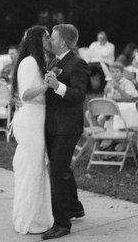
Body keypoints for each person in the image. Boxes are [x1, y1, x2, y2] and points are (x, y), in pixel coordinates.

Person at [43, 24, 90, 240]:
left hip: (67, 126)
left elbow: (79, 95)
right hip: (54, 124)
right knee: (61, 168)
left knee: (57, 172)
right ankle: (74, 207)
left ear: (62, 41)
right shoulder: (54, 61)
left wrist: (57, 86)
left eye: (52, 36)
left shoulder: (78, 63)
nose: (49, 40)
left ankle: (61, 223)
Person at [11, 26, 53, 235]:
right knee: (32, 168)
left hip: (38, 118)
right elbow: (26, 94)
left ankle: (38, 217)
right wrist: (48, 84)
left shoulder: (38, 61)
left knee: (37, 167)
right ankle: (27, 219)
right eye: (47, 36)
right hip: (30, 120)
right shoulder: (29, 62)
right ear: (38, 39)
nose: (50, 39)